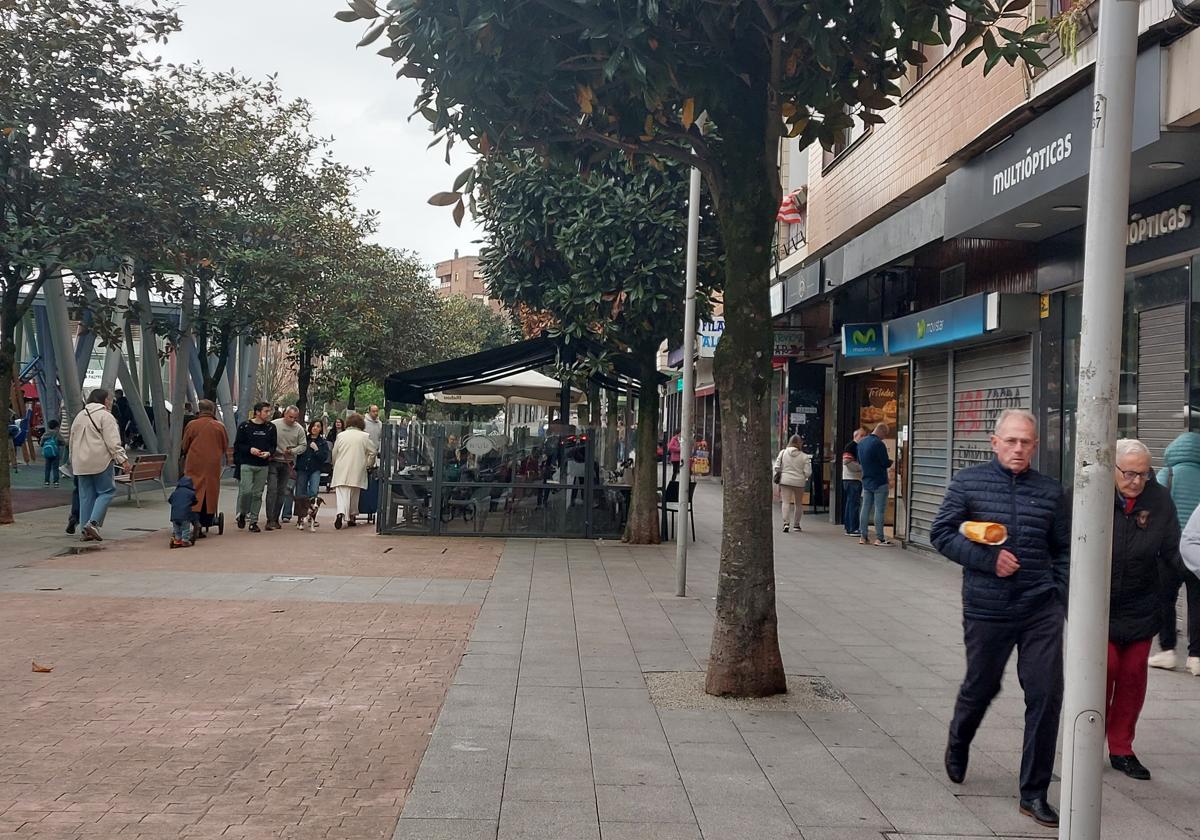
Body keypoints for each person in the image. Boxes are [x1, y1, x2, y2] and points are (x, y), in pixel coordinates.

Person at [930, 409, 1069, 829]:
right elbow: (942, 533)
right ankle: (960, 739)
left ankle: (1034, 793)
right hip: (987, 607)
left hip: (1039, 607)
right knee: (983, 684)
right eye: (1011, 441)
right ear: (995, 442)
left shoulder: (1050, 492)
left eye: (1026, 442)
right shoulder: (968, 483)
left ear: (1035, 445)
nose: (1018, 448)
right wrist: (988, 561)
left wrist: (1058, 594)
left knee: (1046, 694)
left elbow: (1063, 548)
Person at [1104, 438, 1180, 781]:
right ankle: (1087, 742)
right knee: (1104, 672)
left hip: (1141, 603)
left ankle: (1122, 748)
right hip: (1098, 607)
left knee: (1133, 677)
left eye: (1143, 474)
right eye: (1129, 473)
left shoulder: (1159, 499)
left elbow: (1172, 549)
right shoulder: (1091, 494)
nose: (1136, 480)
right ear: (1113, 468)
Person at [1151, 432, 1200, 676]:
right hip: (1197, 550)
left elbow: (1154, 507)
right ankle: (1196, 656)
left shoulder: (1167, 474)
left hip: (1169, 549)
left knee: (1165, 599)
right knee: (1197, 603)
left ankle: (1168, 650)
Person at [68, 389, 132, 542]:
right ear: (104, 400)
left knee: (86, 496)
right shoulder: (106, 416)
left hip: (80, 463)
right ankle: (93, 523)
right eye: (109, 399)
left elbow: (71, 441)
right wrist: (122, 459)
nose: (110, 402)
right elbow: (113, 442)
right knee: (107, 491)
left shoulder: (79, 416)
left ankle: (85, 530)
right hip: (100, 461)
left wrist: (72, 460)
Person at [180, 400, 229, 538]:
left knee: (193, 490)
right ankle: (207, 518)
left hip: (194, 463)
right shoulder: (219, 426)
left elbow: (185, 445)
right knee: (210, 491)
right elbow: (225, 445)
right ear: (212, 410)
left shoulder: (192, 425)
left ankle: (194, 519)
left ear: (200, 410)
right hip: (212, 465)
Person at [330, 412, 378, 530]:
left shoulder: (341, 435)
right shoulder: (364, 436)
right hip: (357, 469)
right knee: (354, 494)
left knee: (341, 493)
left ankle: (341, 512)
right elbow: (373, 451)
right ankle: (351, 517)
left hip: (341, 468)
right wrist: (368, 464)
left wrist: (335, 464)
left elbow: (334, 452)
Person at [233, 402, 276, 533]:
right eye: (266, 411)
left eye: (269, 411)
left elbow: (273, 445)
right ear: (257, 412)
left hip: (262, 465)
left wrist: (269, 452)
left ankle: (253, 521)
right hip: (247, 463)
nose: (268, 414)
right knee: (246, 491)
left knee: (258, 494)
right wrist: (249, 449)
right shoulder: (245, 426)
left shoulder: (270, 427)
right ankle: (242, 513)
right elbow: (238, 445)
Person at [265, 406, 305, 530]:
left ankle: (276, 518)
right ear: (284, 414)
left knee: (282, 491)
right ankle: (269, 519)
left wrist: (293, 451)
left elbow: (303, 445)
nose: (292, 420)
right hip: (273, 461)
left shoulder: (299, 429)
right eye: (290, 417)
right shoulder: (273, 425)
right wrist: (273, 451)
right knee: (272, 490)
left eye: (295, 418)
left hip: (288, 463)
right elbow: (266, 441)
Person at [857, 423, 893, 546]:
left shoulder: (861, 443)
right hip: (879, 481)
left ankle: (863, 536)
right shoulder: (879, 444)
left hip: (866, 480)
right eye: (885, 434)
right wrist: (891, 462)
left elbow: (860, 461)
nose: (884, 437)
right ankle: (880, 538)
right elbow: (884, 463)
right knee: (879, 510)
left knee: (865, 508)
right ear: (881, 432)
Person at [294, 419, 331, 530]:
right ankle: (300, 518)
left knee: (314, 492)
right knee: (300, 493)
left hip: (315, 469)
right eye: (313, 426)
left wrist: (316, 450)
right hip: (302, 469)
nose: (315, 428)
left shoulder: (322, 442)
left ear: (320, 429)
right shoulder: (304, 439)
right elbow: (299, 452)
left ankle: (312, 517)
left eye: (318, 426)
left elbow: (324, 457)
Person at [773, 434, 812, 534]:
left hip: (785, 480)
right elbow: (808, 472)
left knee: (785, 502)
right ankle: (796, 525)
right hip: (799, 482)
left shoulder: (783, 453)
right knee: (798, 503)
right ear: (800, 444)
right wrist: (802, 475)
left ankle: (786, 523)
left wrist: (784, 471)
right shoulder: (804, 456)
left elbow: (776, 467)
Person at [842, 428, 866, 537]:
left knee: (850, 503)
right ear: (857, 436)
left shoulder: (851, 446)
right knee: (854, 504)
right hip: (853, 479)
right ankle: (853, 528)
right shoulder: (852, 446)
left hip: (849, 478)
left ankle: (848, 526)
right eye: (863, 436)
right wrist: (861, 468)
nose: (864, 438)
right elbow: (847, 461)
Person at [168, 475, 197, 548]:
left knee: (177, 529)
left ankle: (177, 540)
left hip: (174, 516)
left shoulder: (175, 492)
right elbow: (195, 501)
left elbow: (170, 500)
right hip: (185, 516)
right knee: (185, 528)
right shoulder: (191, 493)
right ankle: (185, 541)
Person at [41, 419, 62, 487]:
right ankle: (56, 482)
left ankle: (46, 481)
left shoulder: (46, 433)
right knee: (55, 468)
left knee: (47, 468)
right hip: (55, 453)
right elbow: (63, 441)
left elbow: (41, 443)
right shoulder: (57, 434)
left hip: (47, 453)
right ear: (56, 427)